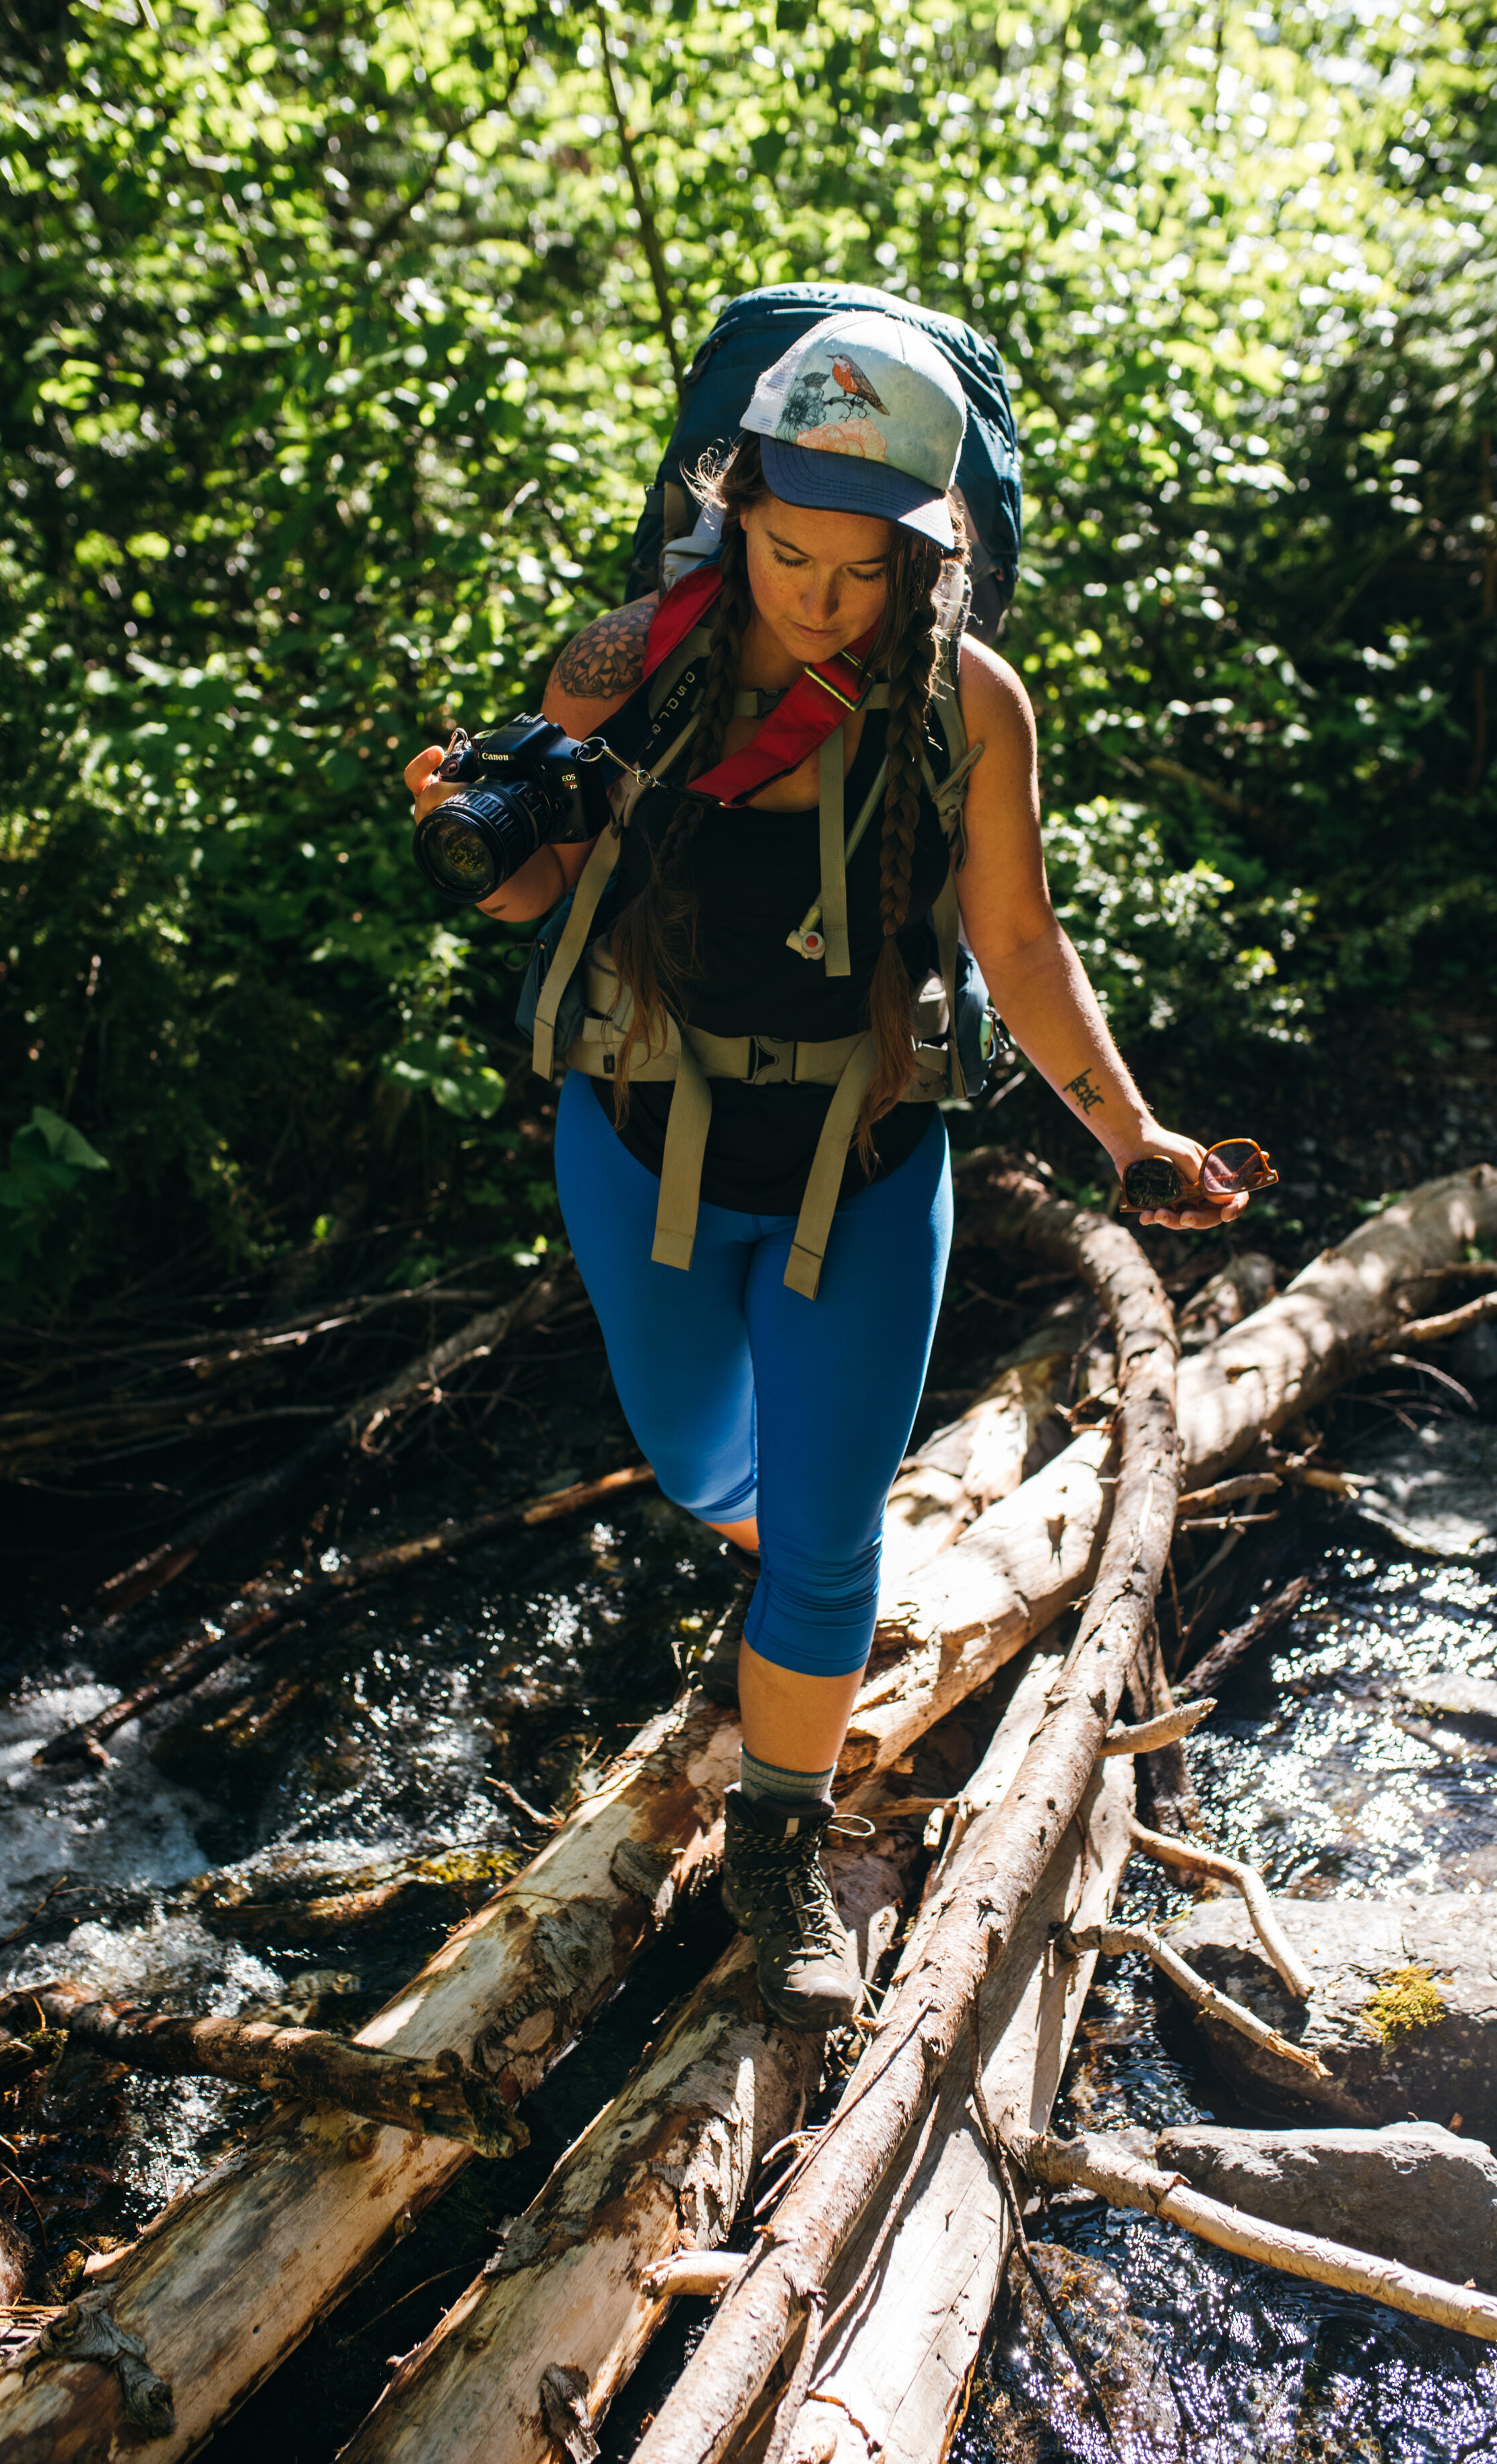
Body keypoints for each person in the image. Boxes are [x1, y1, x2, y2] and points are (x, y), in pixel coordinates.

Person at [405, 312, 1243, 2032]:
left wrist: (1125, 1128)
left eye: (859, 571)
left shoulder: (967, 703)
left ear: (926, 552)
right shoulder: (624, 659)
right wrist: (461, 832)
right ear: (737, 503)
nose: (817, 597)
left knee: (826, 1533)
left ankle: (776, 1845)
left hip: (864, 1158)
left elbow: (1013, 934)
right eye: (787, 552)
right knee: (707, 1463)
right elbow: (530, 897)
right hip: (640, 1136)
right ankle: (790, 1584)